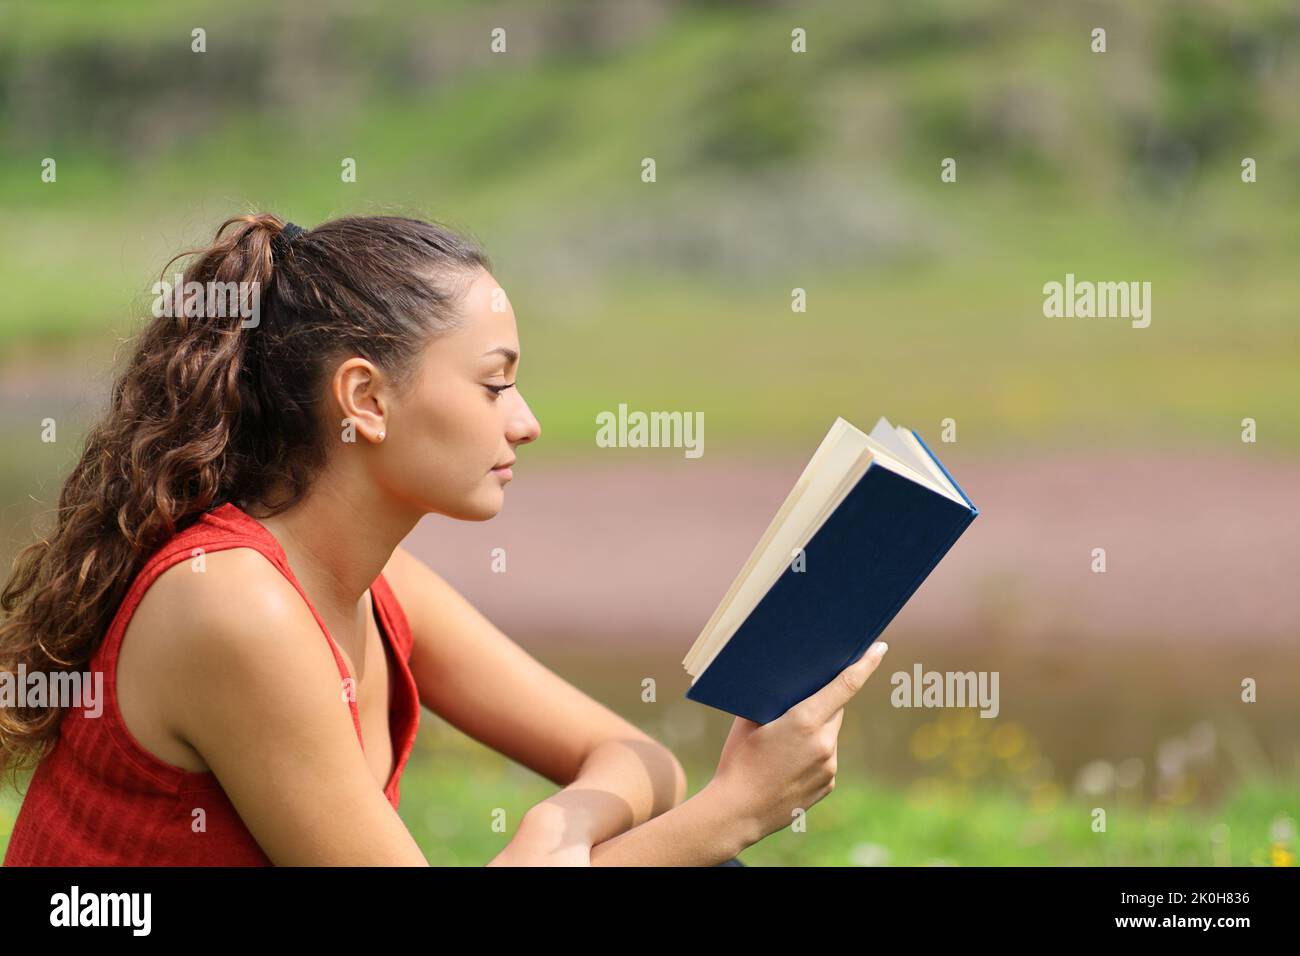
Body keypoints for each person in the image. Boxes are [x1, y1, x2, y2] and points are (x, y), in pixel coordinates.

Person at [0, 212, 889, 866]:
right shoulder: (234, 606)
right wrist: (736, 809)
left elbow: (640, 758)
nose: (528, 423)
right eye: (495, 386)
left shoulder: (380, 588)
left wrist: (565, 823)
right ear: (366, 401)